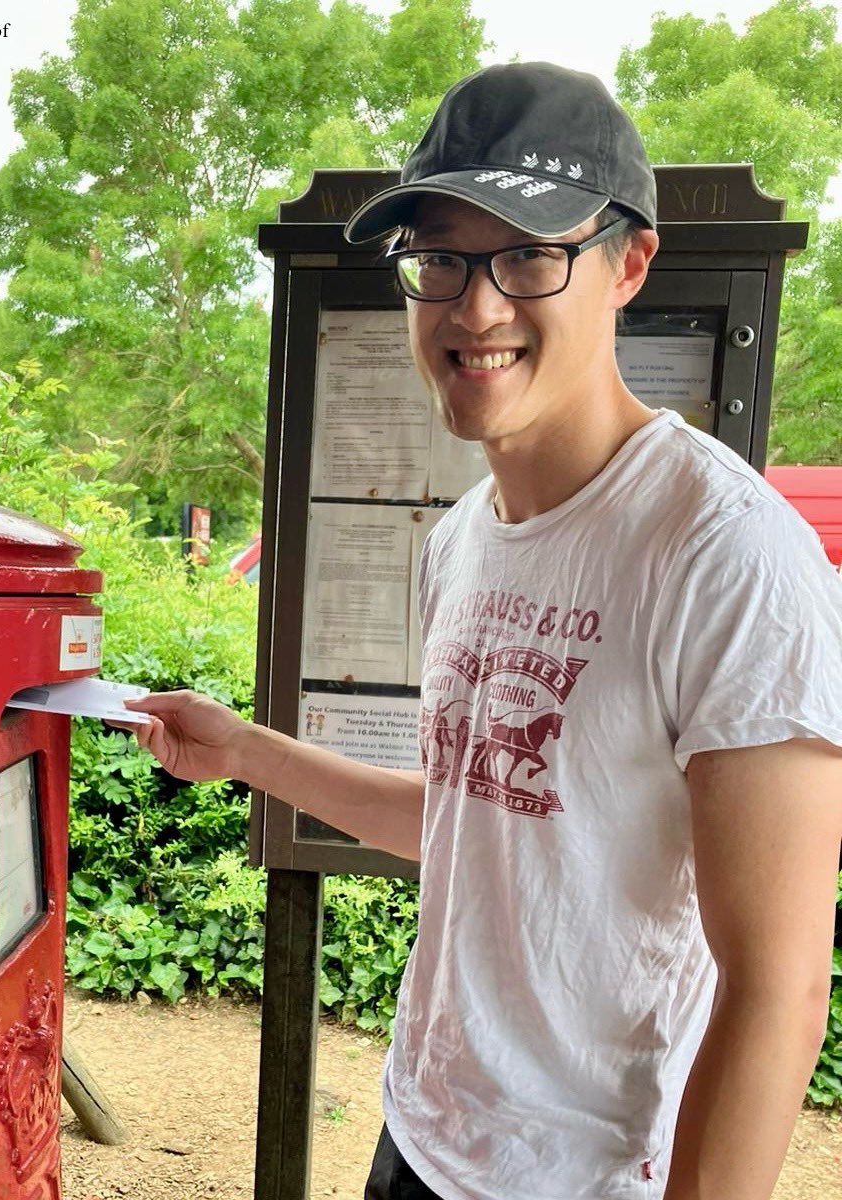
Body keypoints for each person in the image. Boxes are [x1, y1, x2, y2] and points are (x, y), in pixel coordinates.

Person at [121, 62, 842, 1200]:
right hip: (422, 1133)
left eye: (528, 253)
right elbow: (476, 816)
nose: (476, 305)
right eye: (441, 256)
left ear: (628, 264)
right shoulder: (459, 540)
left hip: (587, 1177)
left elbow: (782, 985)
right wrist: (247, 751)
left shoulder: (723, 549)